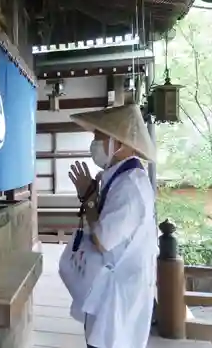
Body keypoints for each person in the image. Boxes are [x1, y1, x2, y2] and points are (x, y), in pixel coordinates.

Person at [61, 103, 158, 348]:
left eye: (98, 136)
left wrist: (89, 197)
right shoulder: (119, 178)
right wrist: (92, 195)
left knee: (109, 341)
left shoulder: (130, 186)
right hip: (110, 286)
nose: (94, 143)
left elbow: (103, 239)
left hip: (119, 294)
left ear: (117, 142)